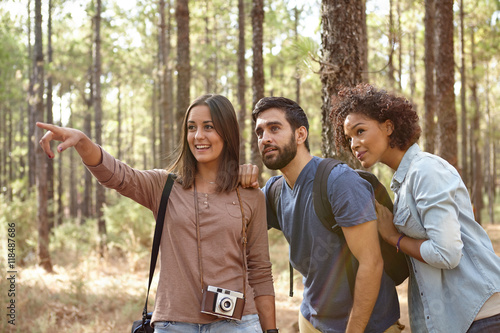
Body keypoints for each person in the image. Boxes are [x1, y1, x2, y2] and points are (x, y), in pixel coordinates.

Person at [37, 94, 279, 333]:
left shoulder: (249, 195)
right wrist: (83, 143)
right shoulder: (164, 186)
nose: (198, 136)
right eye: (191, 127)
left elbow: (260, 270)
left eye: (209, 127)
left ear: (227, 133)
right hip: (174, 324)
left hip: (237, 324)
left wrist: (271, 331)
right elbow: (118, 175)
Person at [331, 83, 500, 333]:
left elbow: (447, 253)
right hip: (458, 319)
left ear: (388, 127)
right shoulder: (404, 182)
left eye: (360, 131)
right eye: (349, 138)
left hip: (481, 315)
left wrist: (393, 237)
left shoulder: (425, 171)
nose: (354, 143)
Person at [244, 96, 402, 333]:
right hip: (311, 321)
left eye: (274, 128)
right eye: (259, 132)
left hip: (365, 326)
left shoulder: (339, 183)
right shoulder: (274, 191)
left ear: (300, 135)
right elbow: (233, 227)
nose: (265, 138)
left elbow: (372, 264)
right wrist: (236, 179)